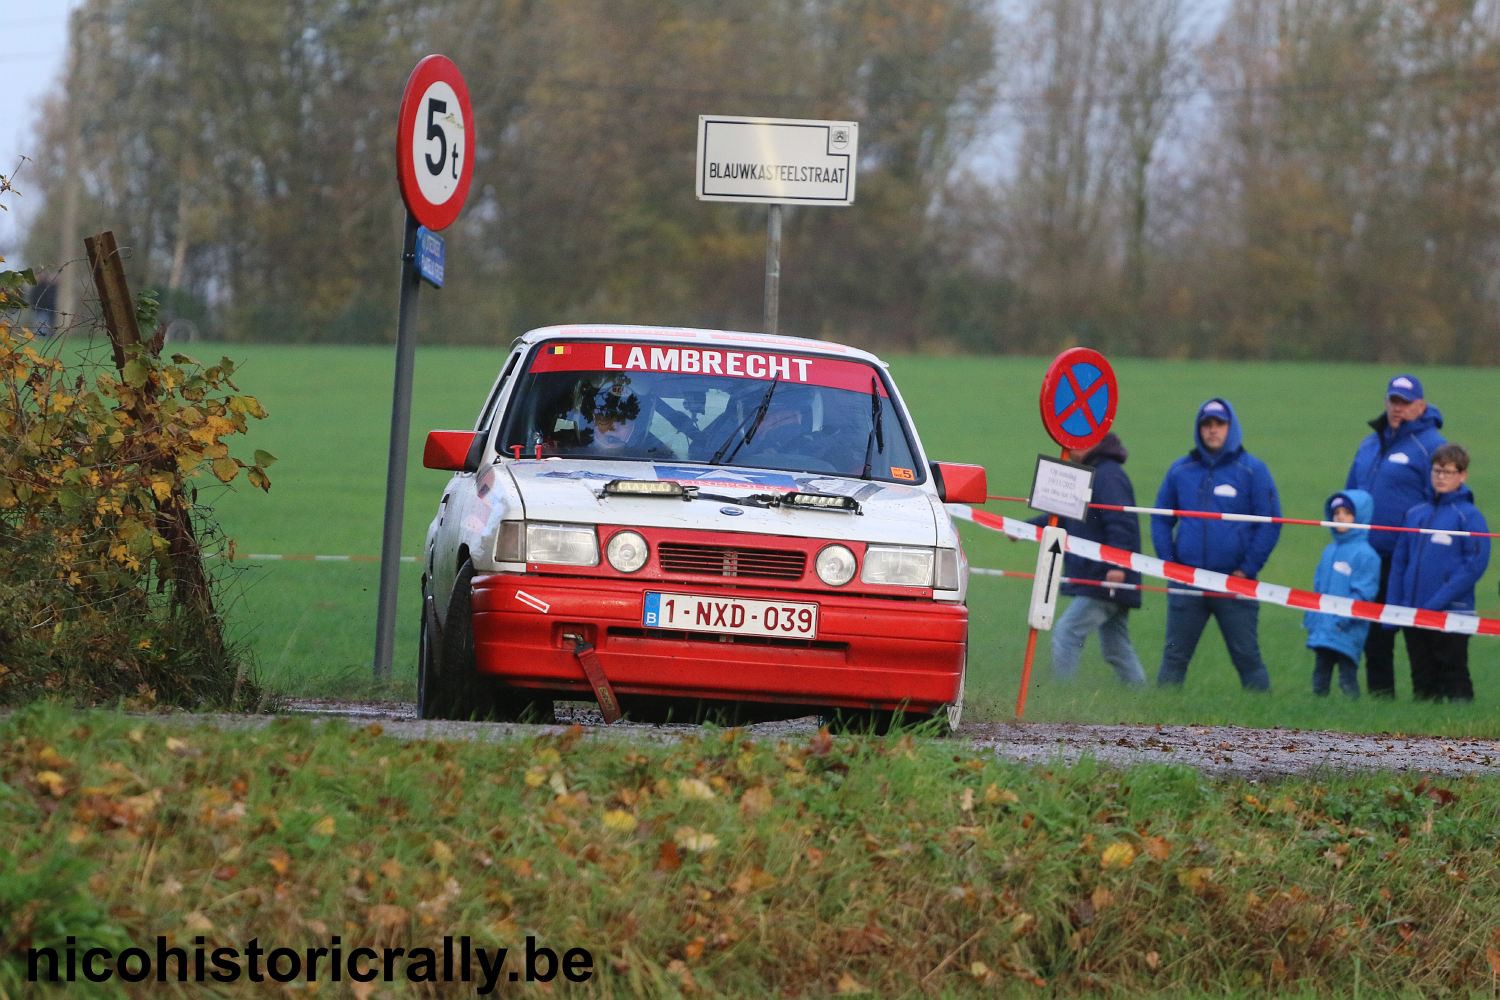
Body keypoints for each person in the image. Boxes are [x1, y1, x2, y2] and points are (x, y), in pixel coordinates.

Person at [1152, 398, 1282, 691]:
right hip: (1188, 582)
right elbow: (1160, 519)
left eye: (1219, 424)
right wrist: (1171, 564)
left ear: (1230, 427)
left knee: (1248, 658)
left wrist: (1247, 569)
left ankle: (1267, 731)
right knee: (1173, 660)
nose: (1212, 430)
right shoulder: (1180, 471)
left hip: (1235, 584)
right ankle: (1156, 725)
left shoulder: (1253, 471)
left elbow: (1272, 523)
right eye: (1206, 424)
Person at [1345, 374, 1446, 697]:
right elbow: (1352, 493)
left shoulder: (1431, 446)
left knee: (1417, 633)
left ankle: (1426, 702)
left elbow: (1441, 500)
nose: (1397, 408)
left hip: (1409, 557)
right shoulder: (1369, 443)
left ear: (1421, 406)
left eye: (1405, 402)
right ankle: (1381, 699)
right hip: (1368, 555)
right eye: (1393, 401)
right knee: (1374, 634)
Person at [1386, 443, 1489, 702]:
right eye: (1437, 471)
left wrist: (1436, 603)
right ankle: (1421, 739)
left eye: (1448, 471)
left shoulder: (1469, 516)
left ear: (1462, 475)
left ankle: (1464, 738)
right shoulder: (1415, 514)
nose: (1441, 477)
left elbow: (1474, 565)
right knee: (1422, 679)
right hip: (1414, 613)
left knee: (1453, 676)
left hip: (1452, 613)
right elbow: (1400, 562)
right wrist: (1394, 607)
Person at [1045, 433, 1147, 685]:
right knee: (1116, 647)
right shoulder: (1090, 473)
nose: (1068, 448)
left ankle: (1061, 694)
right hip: (1101, 577)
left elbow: (1122, 522)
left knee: (1067, 632)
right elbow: (1065, 517)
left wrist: (1117, 566)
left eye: (1074, 441)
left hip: (1105, 578)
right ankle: (1142, 697)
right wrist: (1023, 529)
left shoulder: (1108, 475)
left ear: (1094, 441)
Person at [1303, 489, 1380, 698]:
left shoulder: (1366, 555)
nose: (1340, 517)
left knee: (1347, 678)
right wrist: (1313, 618)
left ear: (1360, 517)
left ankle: (1352, 723)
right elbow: (1318, 588)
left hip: (1347, 629)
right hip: (1323, 628)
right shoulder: (1329, 551)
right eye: (1336, 513)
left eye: (1347, 513)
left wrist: (1341, 620)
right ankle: (1318, 716)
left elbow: (1364, 593)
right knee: (1320, 677)